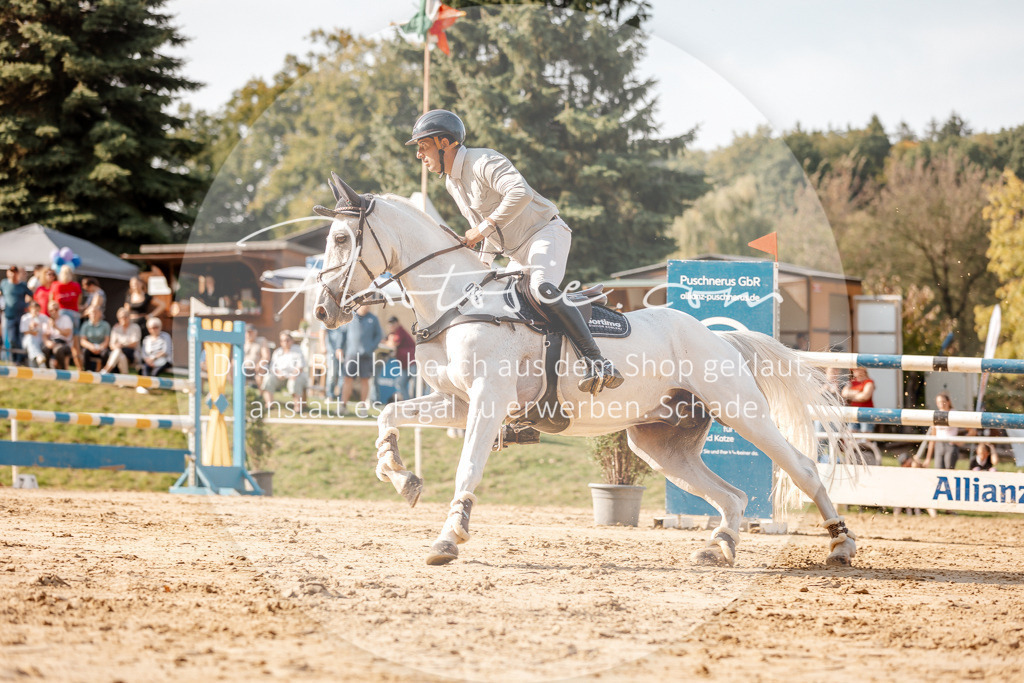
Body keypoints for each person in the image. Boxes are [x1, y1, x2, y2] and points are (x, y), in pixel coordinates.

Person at [407, 109, 622, 394]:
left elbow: (521, 194)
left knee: (541, 289)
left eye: (423, 146)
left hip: (545, 234)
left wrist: (481, 231)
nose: (419, 155)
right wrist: (480, 267)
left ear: (445, 143)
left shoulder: (483, 160)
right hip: (515, 252)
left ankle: (598, 361)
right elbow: (488, 234)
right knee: (491, 303)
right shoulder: (452, 183)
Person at [336, 305, 383, 413]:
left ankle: (363, 407)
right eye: (365, 304)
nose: (367, 306)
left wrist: (371, 348)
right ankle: (343, 406)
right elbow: (342, 334)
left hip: (366, 356)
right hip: (351, 354)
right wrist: (339, 348)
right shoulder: (349, 317)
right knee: (347, 379)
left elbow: (378, 336)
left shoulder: (373, 319)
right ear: (359, 304)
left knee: (365, 380)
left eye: (369, 304)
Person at [262, 331, 308, 412]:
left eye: (287, 340)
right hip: (280, 377)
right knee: (268, 378)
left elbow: (300, 367)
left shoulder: (298, 351)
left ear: (291, 340)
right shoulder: (277, 352)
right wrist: (278, 374)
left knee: (294, 382)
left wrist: (293, 375)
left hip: (295, 376)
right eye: (283, 340)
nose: (285, 342)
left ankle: (297, 407)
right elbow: (273, 367)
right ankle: (269, 404)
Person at [2, 266, 32, 363]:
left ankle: (21, 359)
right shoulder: (4, 283)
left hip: (21, 316)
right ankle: (15, 360)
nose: (13, 274)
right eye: (11, 272)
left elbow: (32, 295)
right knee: (12, 339)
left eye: (15, 272)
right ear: (8, 273)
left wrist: (27, 305)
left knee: (21, 339)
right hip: (9, 316)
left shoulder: (22, 285)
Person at [922, 392, 960, 469]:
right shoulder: (936, 415)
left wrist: (961, 440)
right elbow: (933, 437)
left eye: (943, 401)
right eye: (939, 402)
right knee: (938, 468)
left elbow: (971, 430)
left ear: (948, 402)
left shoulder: (954, 413)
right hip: (939, 444)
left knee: (949, 468)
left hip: (950, 444)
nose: (942, 404)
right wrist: (928, 458)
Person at [382, 316, 416, 401]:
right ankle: (407, 402)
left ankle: (417, 402)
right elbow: (384, 342)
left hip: (412, 362)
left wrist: (388, 342)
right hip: (405, 364)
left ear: (397, 323)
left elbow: (393, 344)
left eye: (393, 324)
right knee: (400, 383)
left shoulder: (400, 331)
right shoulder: (393, 333)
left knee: (417, 384)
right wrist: (388, 341)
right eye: (390, 324)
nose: (391, 326)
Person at [103, 307, 142, 374]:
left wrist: (121, 345)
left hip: (132, 353)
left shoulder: (135, 327)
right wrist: (118, 347)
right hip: (119, 352)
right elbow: (111, 345)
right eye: (121, 317)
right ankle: (124, 377)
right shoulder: (116, 328)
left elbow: (134, 344)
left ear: (129, 317)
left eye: (125, 317)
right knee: (121, 356)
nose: (123, 319)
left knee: (118, 351)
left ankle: (105, 371)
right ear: (118, 318)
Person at [137, 317, 173, 390]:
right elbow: (143, 353)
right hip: (150, 361)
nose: (154, 329)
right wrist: (148, 360)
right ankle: (145, 385)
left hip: (164, 361)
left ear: (160, 327)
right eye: (152, 328)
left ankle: (150, 386)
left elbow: (166, 351)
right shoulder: (146, 339)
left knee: (155, 370)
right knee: (144, 368)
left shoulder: (166, 336)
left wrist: (154, 359)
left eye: (156, 327)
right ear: (149, 329)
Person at [841, 366, 875, 432]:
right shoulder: (851, 382)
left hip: (866, 411)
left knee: (865, 434)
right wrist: (858, 393)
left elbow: (865, 397)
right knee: (852, 433)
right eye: (854, 370)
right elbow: (844, 394)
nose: (856, 371)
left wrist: (851, 396)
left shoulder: (869, 382)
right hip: (853, 411)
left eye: (858, 370)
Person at [43, 300, 74, 370]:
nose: (54, 311)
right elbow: (44, 335)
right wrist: (47, 342)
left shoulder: (65, 318)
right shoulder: (47, 321)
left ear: (59, 309)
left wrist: (56, 327)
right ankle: (48, 369)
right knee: (45, 349)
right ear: (48, 311)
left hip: (63, 343)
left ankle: (63, 370)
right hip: (52, 342)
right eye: (51, 310)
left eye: (56, 309)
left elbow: (67, 333)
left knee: (58, 350)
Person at [79, 306, 111, 371]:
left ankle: (103, 372)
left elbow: (107, 341)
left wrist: (100, 348)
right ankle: (87, 371)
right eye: (92, 312)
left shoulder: (106, 325)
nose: (94, 314)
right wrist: (91, 347)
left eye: (95, 312)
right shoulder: (85, 325)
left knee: (105, 353)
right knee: (85, 352)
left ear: (100, 314)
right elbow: (82, 341)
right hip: (89, 347)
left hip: (101, 348)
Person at [19, 301, 50, 367]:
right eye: (34, 309)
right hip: (28, 341)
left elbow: (49, 326)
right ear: (30, 309)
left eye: (37, 309)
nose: (36, 311)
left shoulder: (43, 317)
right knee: (31, 339)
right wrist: (31, 329)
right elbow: (25, 332)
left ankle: (36, 364)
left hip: (41, 341)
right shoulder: (25, 317)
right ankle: (40, 358)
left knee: (32, 347)